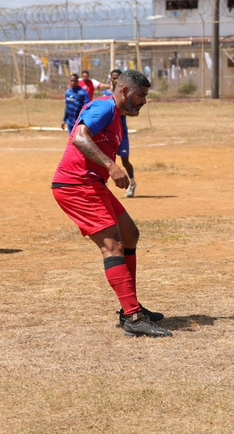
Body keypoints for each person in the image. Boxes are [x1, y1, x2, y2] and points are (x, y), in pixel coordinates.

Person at [51, 70, 170, 337]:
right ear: (125, 91)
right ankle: (133, 316)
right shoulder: (104, 107)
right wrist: (111, 166)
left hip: (91, 184)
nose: (144, 101)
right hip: (75, 185)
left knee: (130, 234)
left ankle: (132, 306)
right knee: (113, 245)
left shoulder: (115, 114)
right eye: (141, 95)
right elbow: (79, 137)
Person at [103, 70, 138, 198]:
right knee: (106, 160)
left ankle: (132, 183)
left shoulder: (126, 94)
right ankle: (103, 185)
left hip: (121, 133)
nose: (115, 80)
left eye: (118, 78)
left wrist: (121, 110)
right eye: (113, 78)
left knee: (125, 161)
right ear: (110, 79)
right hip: (108, 133)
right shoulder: (106, 94)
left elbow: (131, 111)